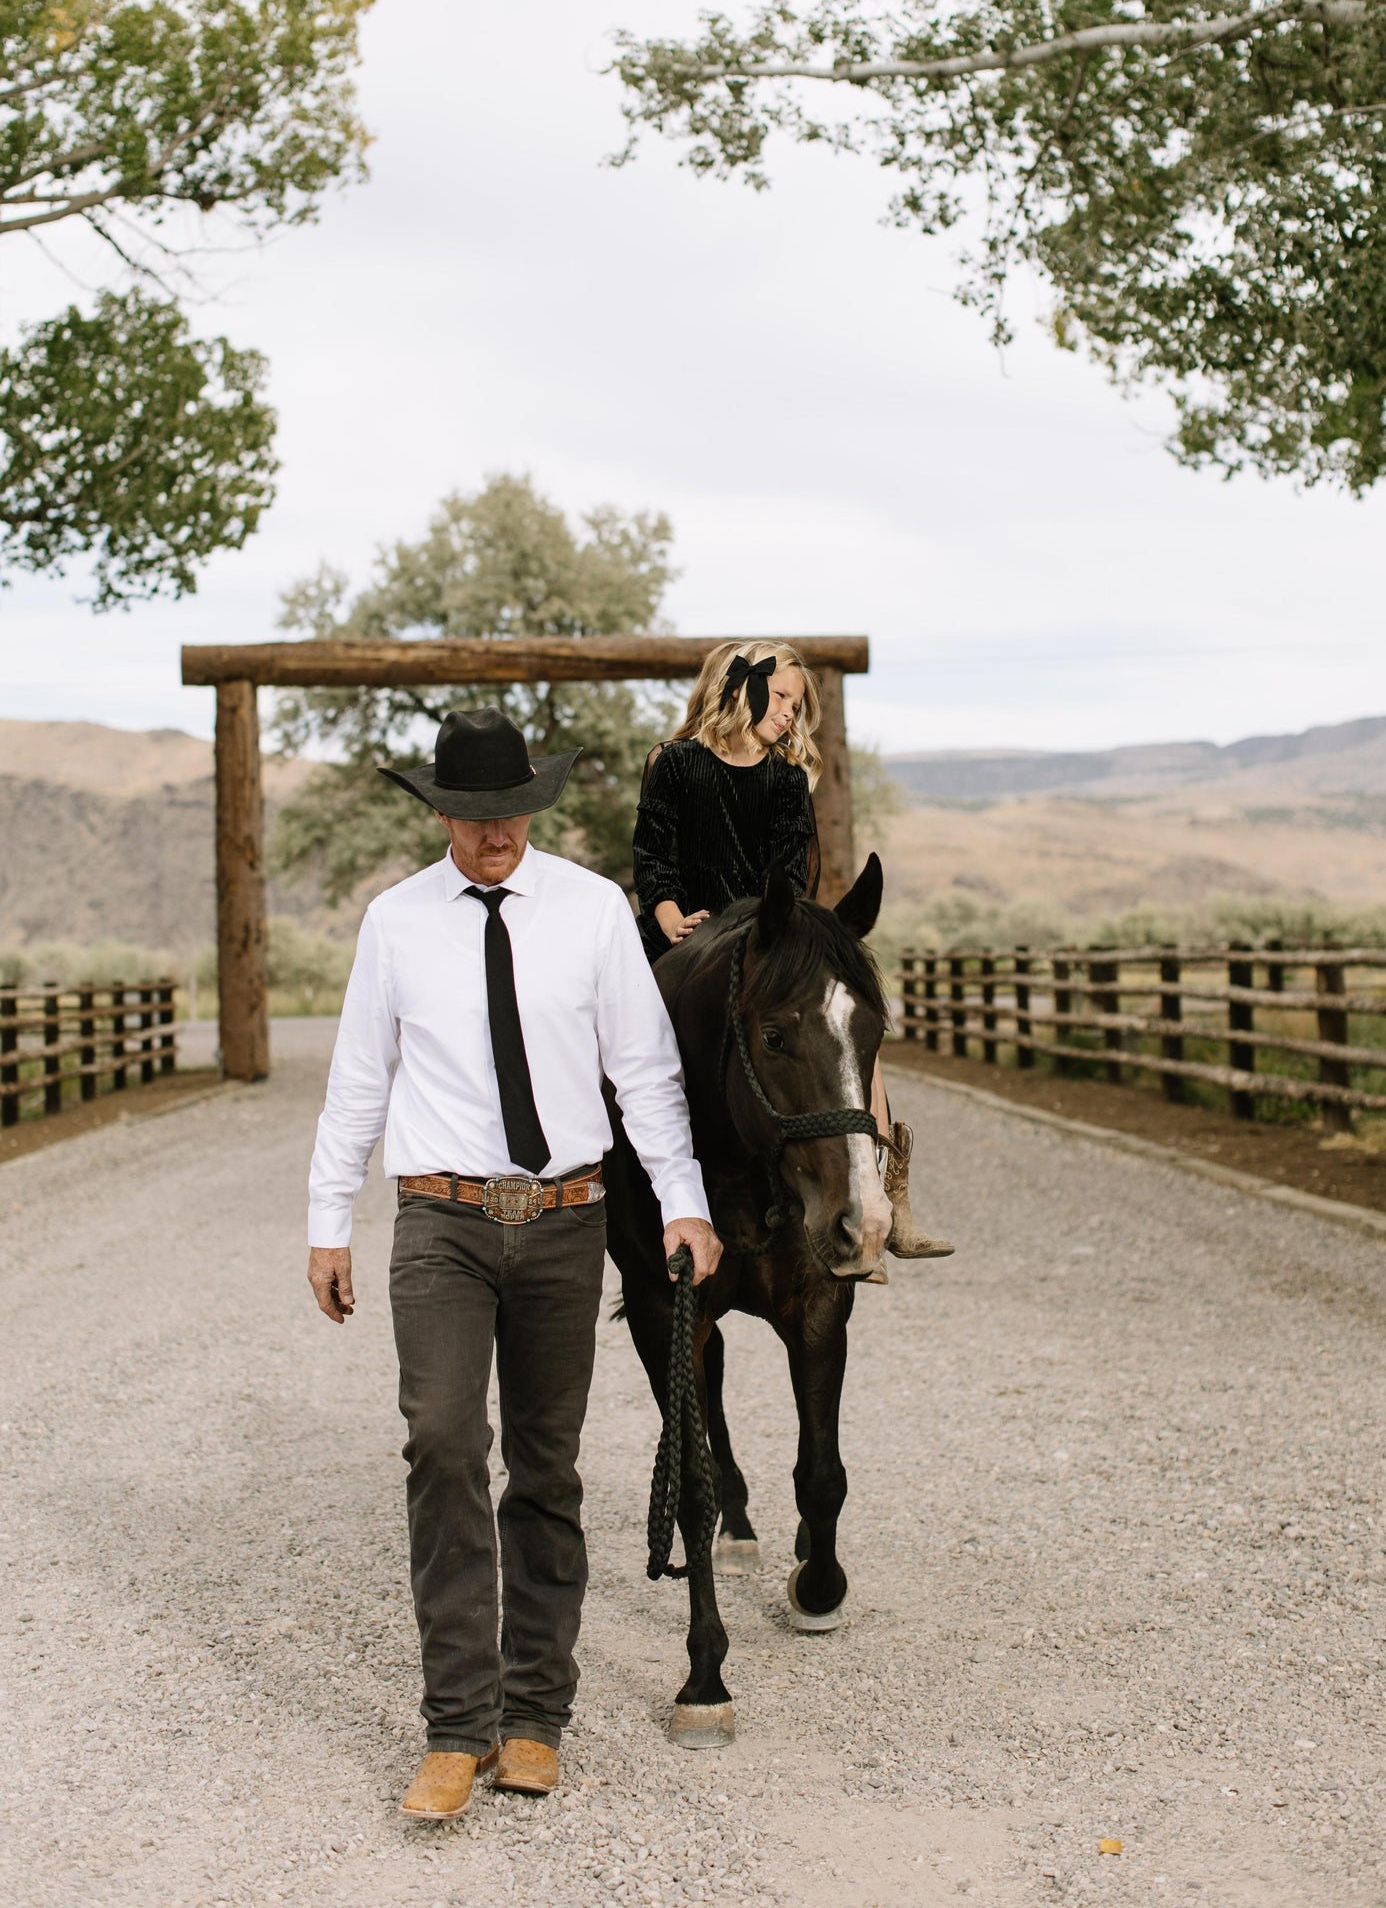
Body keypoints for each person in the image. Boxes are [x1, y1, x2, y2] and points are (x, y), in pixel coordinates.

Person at [305, 706, 721, 1821]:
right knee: (442, 1443)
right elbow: (357, 1077)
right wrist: (326, 1219)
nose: (495, 835)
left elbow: (643, 1074)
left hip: (565, 1218)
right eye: (474, 815)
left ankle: (534, 1716)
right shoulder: (395, 923)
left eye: (511, 813)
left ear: (531, 806)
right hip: (439, 1219)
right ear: (440, 810)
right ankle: (455, 1727)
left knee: (545, 1467)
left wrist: (681, 1201)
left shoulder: (589, 911)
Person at [632, 639, 953, 1269]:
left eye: (795, 703)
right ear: (735, 687)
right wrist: (667, 911)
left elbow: (794, 866)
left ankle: (887, 1187)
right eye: (779, 696)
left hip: (768, 938)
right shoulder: (671, 763)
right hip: (684, 930)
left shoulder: (785, 778)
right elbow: (653, 848)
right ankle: (610, 1183)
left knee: (848, 1022)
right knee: (618, 1029)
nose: (787, 713)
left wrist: (777, 934)